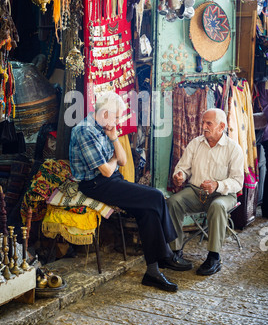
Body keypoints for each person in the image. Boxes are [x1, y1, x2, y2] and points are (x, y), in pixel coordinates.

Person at [69, 92, 191, 293]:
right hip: (95, 185)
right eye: (116, 117)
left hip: (111, 180)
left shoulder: (105, 128)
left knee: (148, 212)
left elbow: (124, 160)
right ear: (105, 113)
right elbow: (107, 171)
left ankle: (152, 272)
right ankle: (167, 254)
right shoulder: (84, 131)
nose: (117, 121)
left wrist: (114, 138)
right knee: (156, 196)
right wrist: (114, 159)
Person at [167, 108, 244, 276]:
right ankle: (175, 251)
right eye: (203, 122)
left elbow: (238, 182)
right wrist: (179, 176)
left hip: (223, 195)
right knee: (173, 202)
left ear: (221, 126)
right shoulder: (196, 143)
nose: (204, 126)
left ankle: (214, 257)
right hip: (196, 192)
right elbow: (183, 168)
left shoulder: (233, 148)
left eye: (208, 123)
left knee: (217, 206)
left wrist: (218, 185)